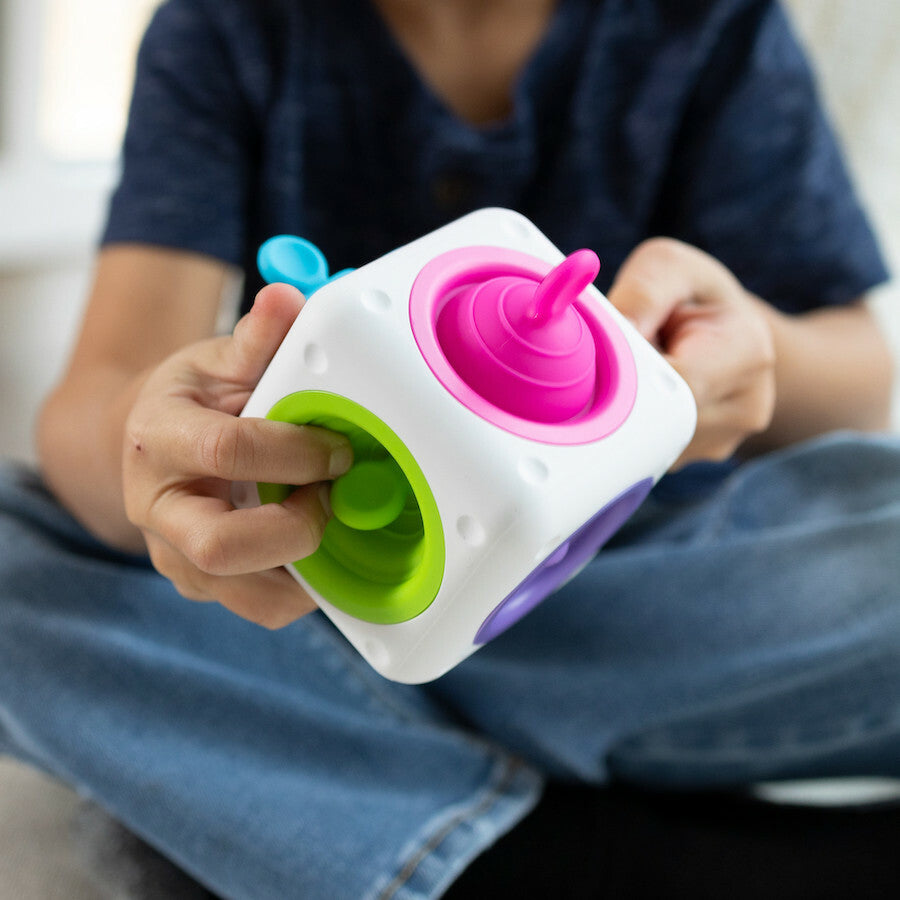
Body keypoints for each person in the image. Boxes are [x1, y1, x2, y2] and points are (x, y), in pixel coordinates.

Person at [1, 0, 897, 897]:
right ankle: (516, 853)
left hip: (656, 597)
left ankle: (320, 795)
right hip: (316, 598)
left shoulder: (707, 24)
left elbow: (863, 380)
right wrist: (161, 449)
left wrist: (754, 352)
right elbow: (97, 394)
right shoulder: (227, 28)